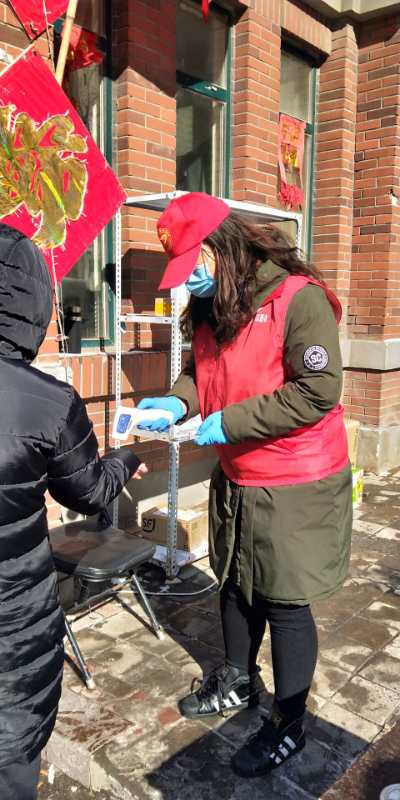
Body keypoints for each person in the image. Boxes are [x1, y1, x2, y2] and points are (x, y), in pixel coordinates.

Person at [137, 192, 352, 779]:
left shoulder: (298, 302)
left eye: (194, 267)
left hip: (295, 479)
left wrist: (227, 421)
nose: (191, 285)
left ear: (222, 249)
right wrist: (176, 401)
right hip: (237, 473)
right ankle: (237, 680)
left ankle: (289, 722)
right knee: (234, 582)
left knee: (283, 601)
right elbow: (199, 372)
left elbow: (316, 393)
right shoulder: (215, 307)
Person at [0, 224, 147, 800]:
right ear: (36, 305)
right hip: (12, 628)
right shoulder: (48, 401)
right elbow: (88, 493)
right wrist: (125, 457)